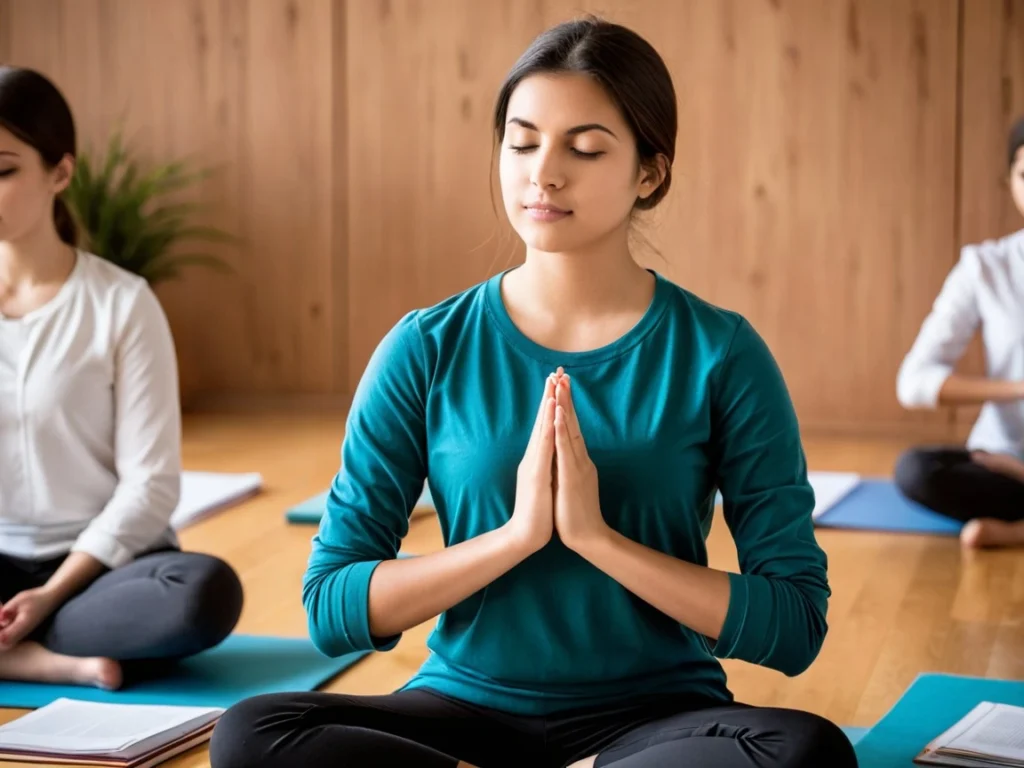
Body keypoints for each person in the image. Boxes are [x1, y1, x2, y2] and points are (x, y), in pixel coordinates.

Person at [211, 17, 855, 768]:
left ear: (649, 172)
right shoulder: (425, 347)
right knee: (252, 734)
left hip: (658, 716)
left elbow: (795, 623)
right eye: (521, 142)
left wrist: (596, 540)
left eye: (583, 148)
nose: (542, 173)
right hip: (460, 709)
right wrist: (516, 538)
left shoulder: (721, 353)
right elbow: (331, 606)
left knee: (806, 753)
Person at [0, 65, 244, 690]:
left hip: (102, 569)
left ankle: (24, 640)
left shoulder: (123, 303)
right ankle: (36, 658)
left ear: (60, 172)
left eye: (3, 171)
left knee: (202, 594)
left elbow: (152, 486)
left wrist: (51, 595)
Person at [894, 116, 1024, 550]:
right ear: (1009, 180)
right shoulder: (986, 266)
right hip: (1000, 461)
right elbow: (913, 383)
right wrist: (1017, 389)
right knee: (916, 470)